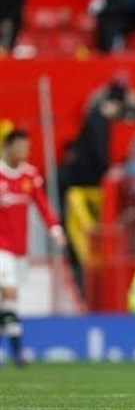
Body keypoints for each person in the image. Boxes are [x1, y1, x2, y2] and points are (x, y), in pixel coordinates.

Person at [0, 130, 65, 366]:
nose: (24, 152)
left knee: (8, 302)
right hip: (1, 248)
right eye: (19, 147)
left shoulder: (30, 175)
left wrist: (55, 229)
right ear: (7, 147)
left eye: (26, 148)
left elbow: (42, 204)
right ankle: (18, 352)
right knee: (9, 293)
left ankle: (13, 344)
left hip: (20, 249)